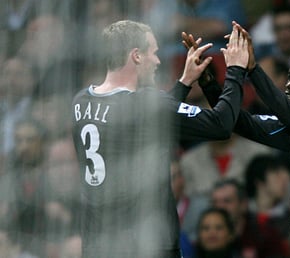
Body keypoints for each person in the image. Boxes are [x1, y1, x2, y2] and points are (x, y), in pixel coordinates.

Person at [71, 20, 249, 257]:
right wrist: (235, 70)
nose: (158, 61)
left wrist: (184, 83)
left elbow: (147, 123)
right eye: (153, 53)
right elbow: (221, 126)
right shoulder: (147, 102)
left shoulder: (81, 101)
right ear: (136, 56)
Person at [182, 22, 290, 257]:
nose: (289, 85)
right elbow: (239, 123)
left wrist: (253, 69)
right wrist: (207, 82)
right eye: (289, 77)